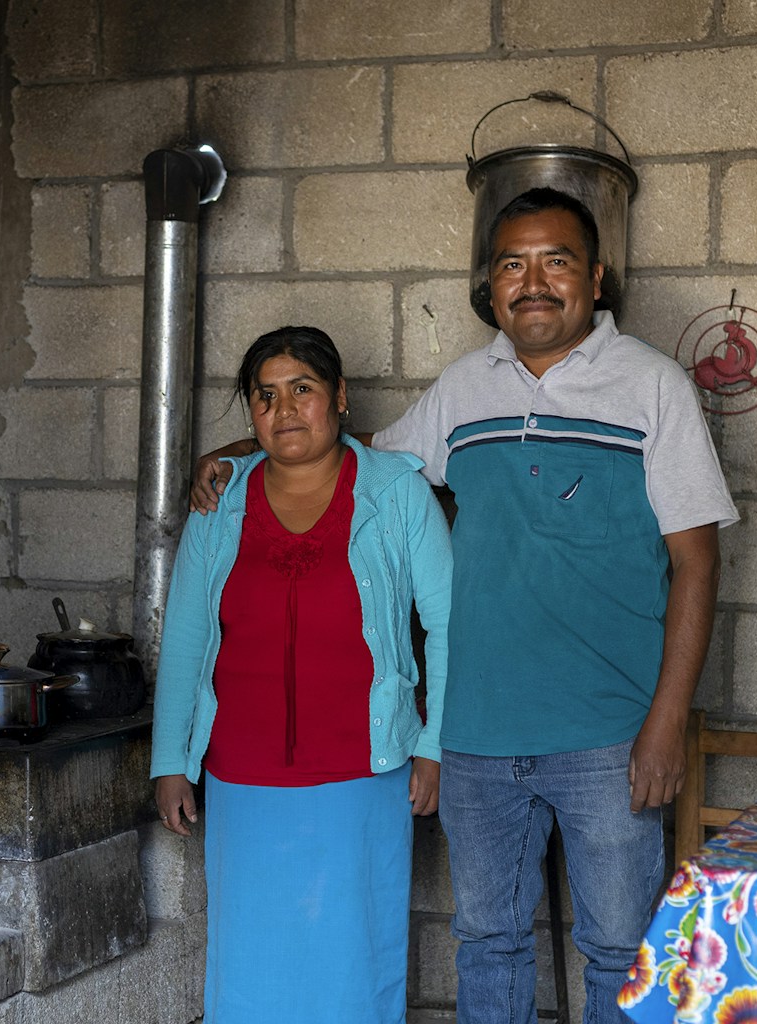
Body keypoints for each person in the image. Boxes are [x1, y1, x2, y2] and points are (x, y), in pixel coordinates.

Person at [189, 188, 739, 1024]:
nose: (534, 282)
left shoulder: (652, 387)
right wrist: (236, 453)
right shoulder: (463, 389)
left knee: (620, 951)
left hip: (609, 732)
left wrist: (667, 723)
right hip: (477, 736)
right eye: (512, 264)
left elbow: (698, 565)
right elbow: (358, 454)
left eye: (556, 261)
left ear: (595, 276)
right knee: (487, 941)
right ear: (491, 285)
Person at [151, 325, 453, 1024]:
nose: (284, 410)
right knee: (253, 961)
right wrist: (172, 760)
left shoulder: (397, 493)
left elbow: (448, 627)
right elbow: (190, 636)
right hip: (243, 777)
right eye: (266, 395)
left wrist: (434, 745)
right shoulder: (218, 504)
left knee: (354, 959)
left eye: (303, 389)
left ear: (340, 398)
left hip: (363, 775)